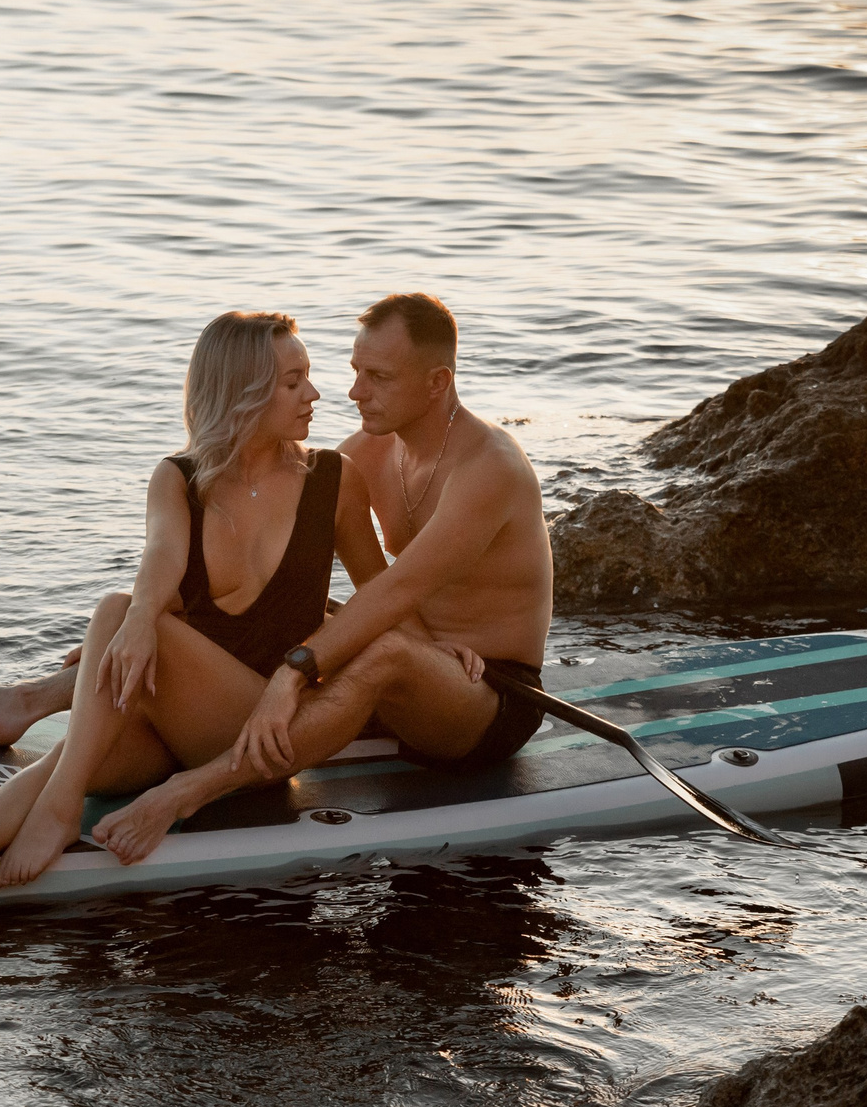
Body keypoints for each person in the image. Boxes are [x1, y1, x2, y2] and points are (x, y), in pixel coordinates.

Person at [0, 311, 385, 893]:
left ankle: (51, 795)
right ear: (243, 393)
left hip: (260, 734)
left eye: (307, 376)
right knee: (79, 750)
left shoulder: (334, 477)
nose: (313, 392)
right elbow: (162, 554)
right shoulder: (180, 478)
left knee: (112, 612)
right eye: (292, 382)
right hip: (181, 730)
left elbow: (379, 592)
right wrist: (137, 620)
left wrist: (448, 650)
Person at [89, 293, 553, 864]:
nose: (355, 392)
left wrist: (291, 677)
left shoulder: (490, 469)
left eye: (378, 377)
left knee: (378, 648)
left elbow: (397, 590)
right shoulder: (370, 454)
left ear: (437, 383)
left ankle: (192, 789)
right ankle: (46, 695)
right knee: (269, 609)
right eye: (356, 372)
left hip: (485, 693)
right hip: (414, 651)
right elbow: (318, 554)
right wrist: (142, 619)